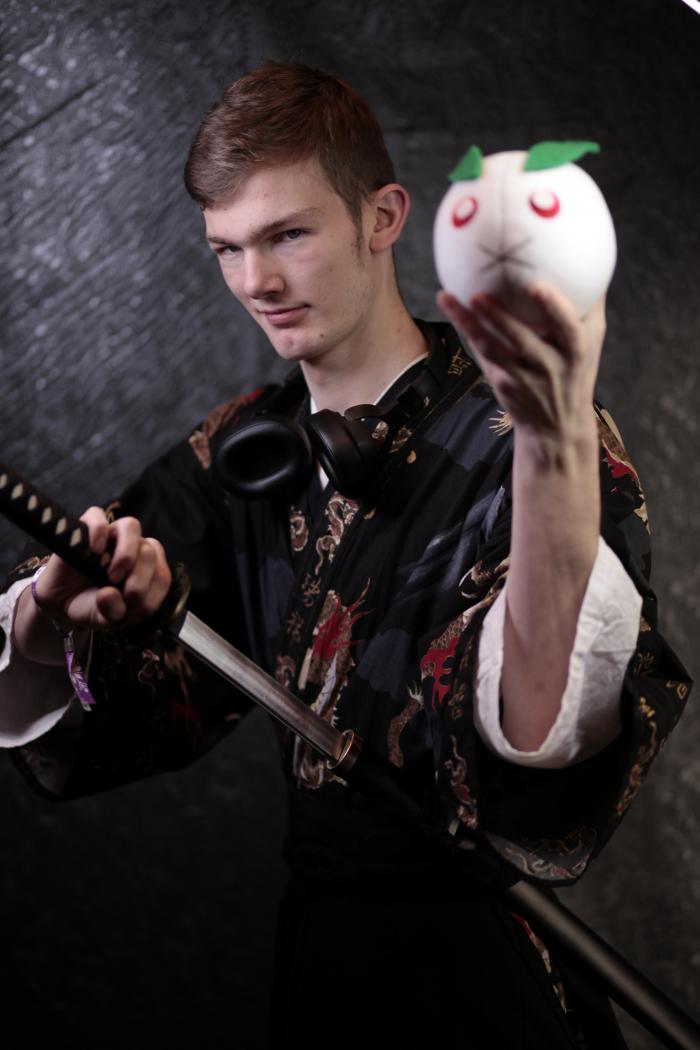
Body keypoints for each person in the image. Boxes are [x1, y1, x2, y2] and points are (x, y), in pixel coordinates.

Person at [0, 62, 691, 1048]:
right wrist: (46, 617)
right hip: (321, 973)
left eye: (288, 234)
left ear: (383, 217)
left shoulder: (528, 434)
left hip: (481, 987)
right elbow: (85, 686)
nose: (256, 283)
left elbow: (544, 743)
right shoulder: (246, 450)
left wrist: (552, 444)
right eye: (227, 248)